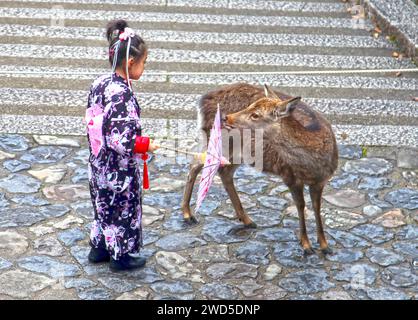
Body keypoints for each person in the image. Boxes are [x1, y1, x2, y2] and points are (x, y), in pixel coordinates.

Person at [85, 19, 159, 272]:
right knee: (122, 209)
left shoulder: (100, 83)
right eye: (144, 62)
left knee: (102, 206)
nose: (145, 67)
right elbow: (120, 141)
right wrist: (145, 145)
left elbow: (97, 123)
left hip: (97, 162)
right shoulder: (122, 94)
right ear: (130, 63)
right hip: (118, 169)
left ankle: (99, 247)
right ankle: (121, 255)